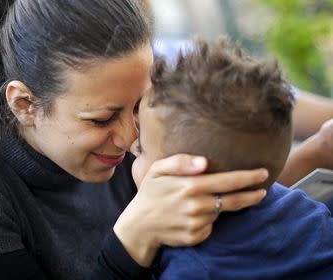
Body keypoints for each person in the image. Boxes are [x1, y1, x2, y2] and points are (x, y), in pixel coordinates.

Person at [0, 1, 269, 280]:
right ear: (25, 104)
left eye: (139, 105)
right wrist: (131, 242)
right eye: (101, 119)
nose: (129, 139)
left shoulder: (122, 149)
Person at [130, 37, 333, 280]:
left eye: (141, 149)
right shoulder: (312, 213)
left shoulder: (191, 277)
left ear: (189, 175)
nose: (131, 146)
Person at [137, 0, 333, 187]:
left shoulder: (183, 58)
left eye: (140, 149)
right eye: (106, 118)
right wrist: (310, 157)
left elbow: (320, 122)